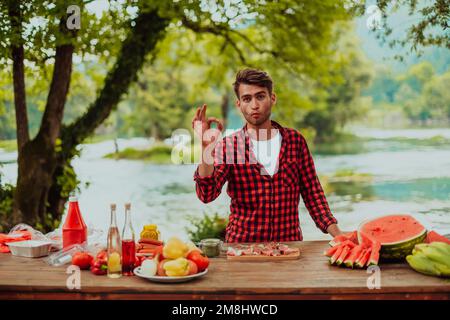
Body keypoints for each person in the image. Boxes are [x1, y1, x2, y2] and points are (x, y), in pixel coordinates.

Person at [192, 68, 343, 243]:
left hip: (289, 249)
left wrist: (340, 236)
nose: (254, 105)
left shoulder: (296, 141)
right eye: (247, 99)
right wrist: (205, 148)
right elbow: (207, 194)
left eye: (260, 96)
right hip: (242, 249)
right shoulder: (229, 146)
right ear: (238, 104)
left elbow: (313, 195)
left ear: (272, 98)